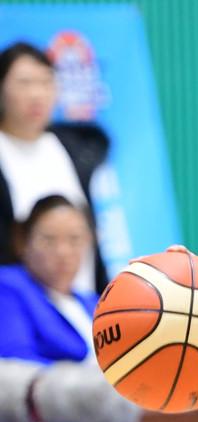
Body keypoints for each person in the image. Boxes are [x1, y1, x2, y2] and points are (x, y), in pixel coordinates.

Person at [0, 194, 138, 422]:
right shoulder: (9, 287)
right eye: (49, 240)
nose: (63, 251)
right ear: (23, 242)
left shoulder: (94, 302)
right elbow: (16, 362)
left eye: (75, 240)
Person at [0, 41, 109, 292]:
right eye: (24, 83)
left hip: (81, 300)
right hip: (16, 302)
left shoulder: (74, 147)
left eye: (46, 81)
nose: (37, 94)